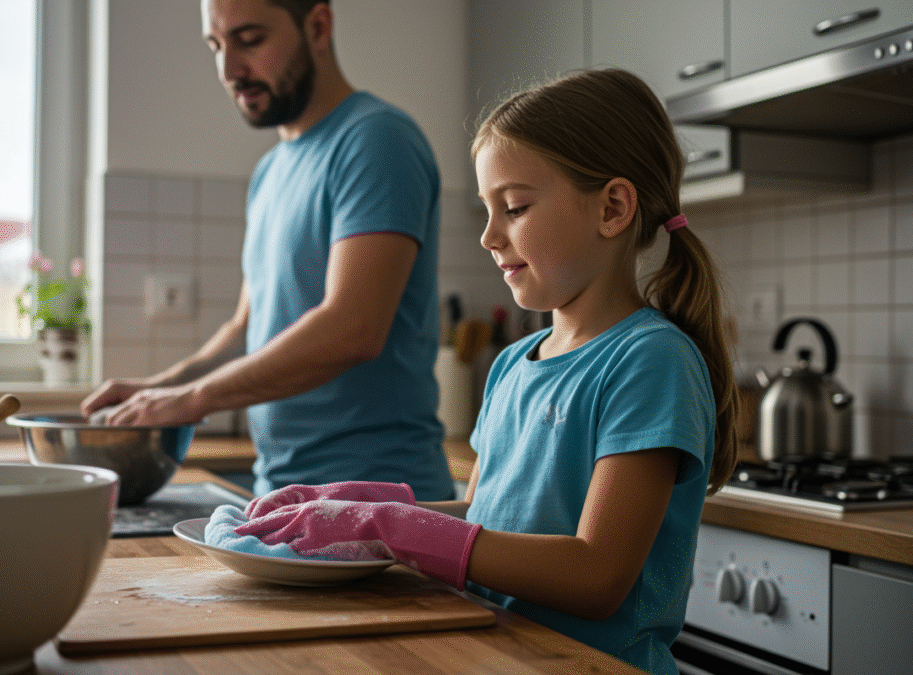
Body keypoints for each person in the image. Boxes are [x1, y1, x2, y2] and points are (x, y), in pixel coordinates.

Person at [222, 68, 740, 675]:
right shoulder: (513, 365)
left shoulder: (650, 360)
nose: (491, 237)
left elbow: (597, 575)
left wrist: (398, 529)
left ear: (614, 207)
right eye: (488, 210)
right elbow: (488, 526)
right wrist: (366, 516)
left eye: (515, 207)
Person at [80, 0, 454, 501]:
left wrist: (192, 399)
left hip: (377, 501)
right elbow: (246, 330)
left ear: (317, 26)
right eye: (217, 45)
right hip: (280, 496)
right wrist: (159, 388)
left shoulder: (375, 140)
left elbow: (353, 328)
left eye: (250, 39)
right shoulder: (270, 172)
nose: (230, 69)